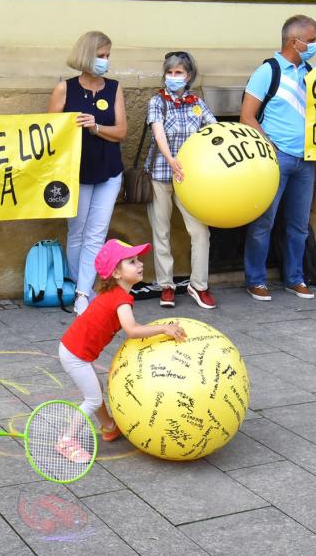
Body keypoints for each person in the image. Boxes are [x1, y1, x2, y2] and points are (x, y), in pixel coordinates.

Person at [57, 239, 186, 458]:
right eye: (132, 262)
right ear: (116, 273)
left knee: (95, 390)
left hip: (73, 350)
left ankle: (109, 427)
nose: (140, 264)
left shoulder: (115, 294)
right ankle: (66, 441)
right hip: (75, 355)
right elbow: (132, 330)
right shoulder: (121, 299)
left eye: (138, 260)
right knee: (93, 399)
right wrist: (164, 328)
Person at [239, 15, 316, 302]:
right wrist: (269, 145)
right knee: (264, 222)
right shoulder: (268, 72)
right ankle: (255, 279)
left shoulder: (311, 73)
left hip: (306, 160)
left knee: (299, 224)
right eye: (310, 41)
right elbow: (247, 116)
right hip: (275, 159)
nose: (314, 46)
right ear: (292, 41)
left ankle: (295, 278)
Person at [48, 31, 128, 315]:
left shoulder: (114, 88)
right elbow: (50, 134)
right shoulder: (64, 89)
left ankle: (83, 293)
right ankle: (78, 284)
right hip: (76, 172)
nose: (105, 61)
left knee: (97, 233)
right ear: (85, 56)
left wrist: (96, 128)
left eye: (107, 56)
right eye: (100, 55)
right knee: (77, 232)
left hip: (108, 171)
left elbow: (121, 132)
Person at [144, 51, 218, 309]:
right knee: (161, 230)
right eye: (170, 72)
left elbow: (213, 130)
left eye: (179, 73)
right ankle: (166, 285)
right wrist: (171, 159)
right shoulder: (157, 101)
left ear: (189, 76)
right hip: (162, 174)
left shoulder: (197, 103)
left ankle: (199, 286)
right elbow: (158, 132)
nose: (174, 77)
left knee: (199, 231)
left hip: (190, 178)